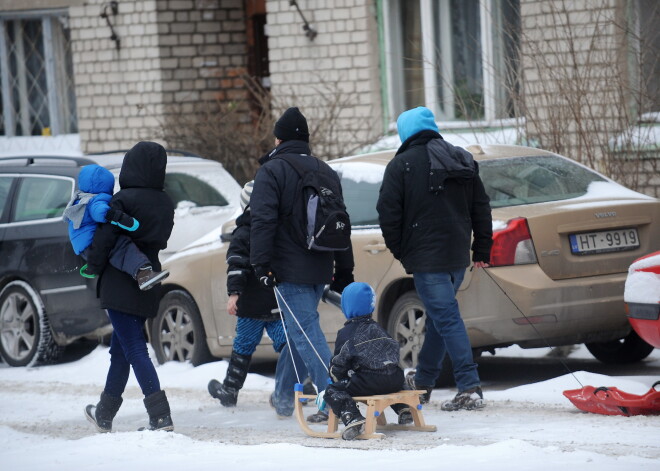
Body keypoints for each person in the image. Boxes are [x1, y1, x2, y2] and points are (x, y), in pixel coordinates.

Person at [376, 106, 493, 411]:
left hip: (427, 260)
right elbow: (482, 206)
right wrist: (481, 248)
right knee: (441, 319)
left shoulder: (401, 165)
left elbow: (387, 215)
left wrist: (403, 252)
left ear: (406, 132)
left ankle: (469, 386)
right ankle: (425, 382)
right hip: (456, 256)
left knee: (447, 318)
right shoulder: (460, 158)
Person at [249, 107, 355, 423]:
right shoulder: (325, 171)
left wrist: (260, 263)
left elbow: (263, 219)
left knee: (305, 332)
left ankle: (337, 402)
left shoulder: (272, 171)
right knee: (302, 329)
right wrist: (344, 268)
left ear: (278, 138)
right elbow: (342, 222)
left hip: (288, 267)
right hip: (320, 263)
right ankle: (283, 395)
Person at [83, 141, 176, 432]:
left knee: (134, 348)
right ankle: (105, 412)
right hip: (149, 278)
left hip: (119, 283)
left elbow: (105, 238)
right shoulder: (165, 202)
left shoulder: (122, 200)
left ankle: (160, 416)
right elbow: (160, 238)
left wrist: (94, 267)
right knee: (120, 350)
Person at [207, 180, 310, 417]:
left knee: (243, 345)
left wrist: (234, 294)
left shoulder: (243, 232)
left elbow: (236, 266)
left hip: (251, 304)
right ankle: (300, 384)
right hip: (275, 299)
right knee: (286, 342)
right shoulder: (277, 227)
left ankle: (230, 390)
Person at [316, 282, 413, 440]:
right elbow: (394, 350)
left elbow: (339, 363)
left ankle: (352, 417)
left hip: (368, 382)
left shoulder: (347, 333)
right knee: (391, 376)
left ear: (346, 307)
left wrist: (336, 378)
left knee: (333, 390)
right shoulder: (379, 329)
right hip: (394, 379)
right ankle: (403, 408)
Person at [63, 164, 169, 291]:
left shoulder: (80, 198)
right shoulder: (97, 199)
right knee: (122, 247)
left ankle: (91, 265)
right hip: (91, 241)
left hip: (82, 245)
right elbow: (99, 211)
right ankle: (142, 274)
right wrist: (118, 217)